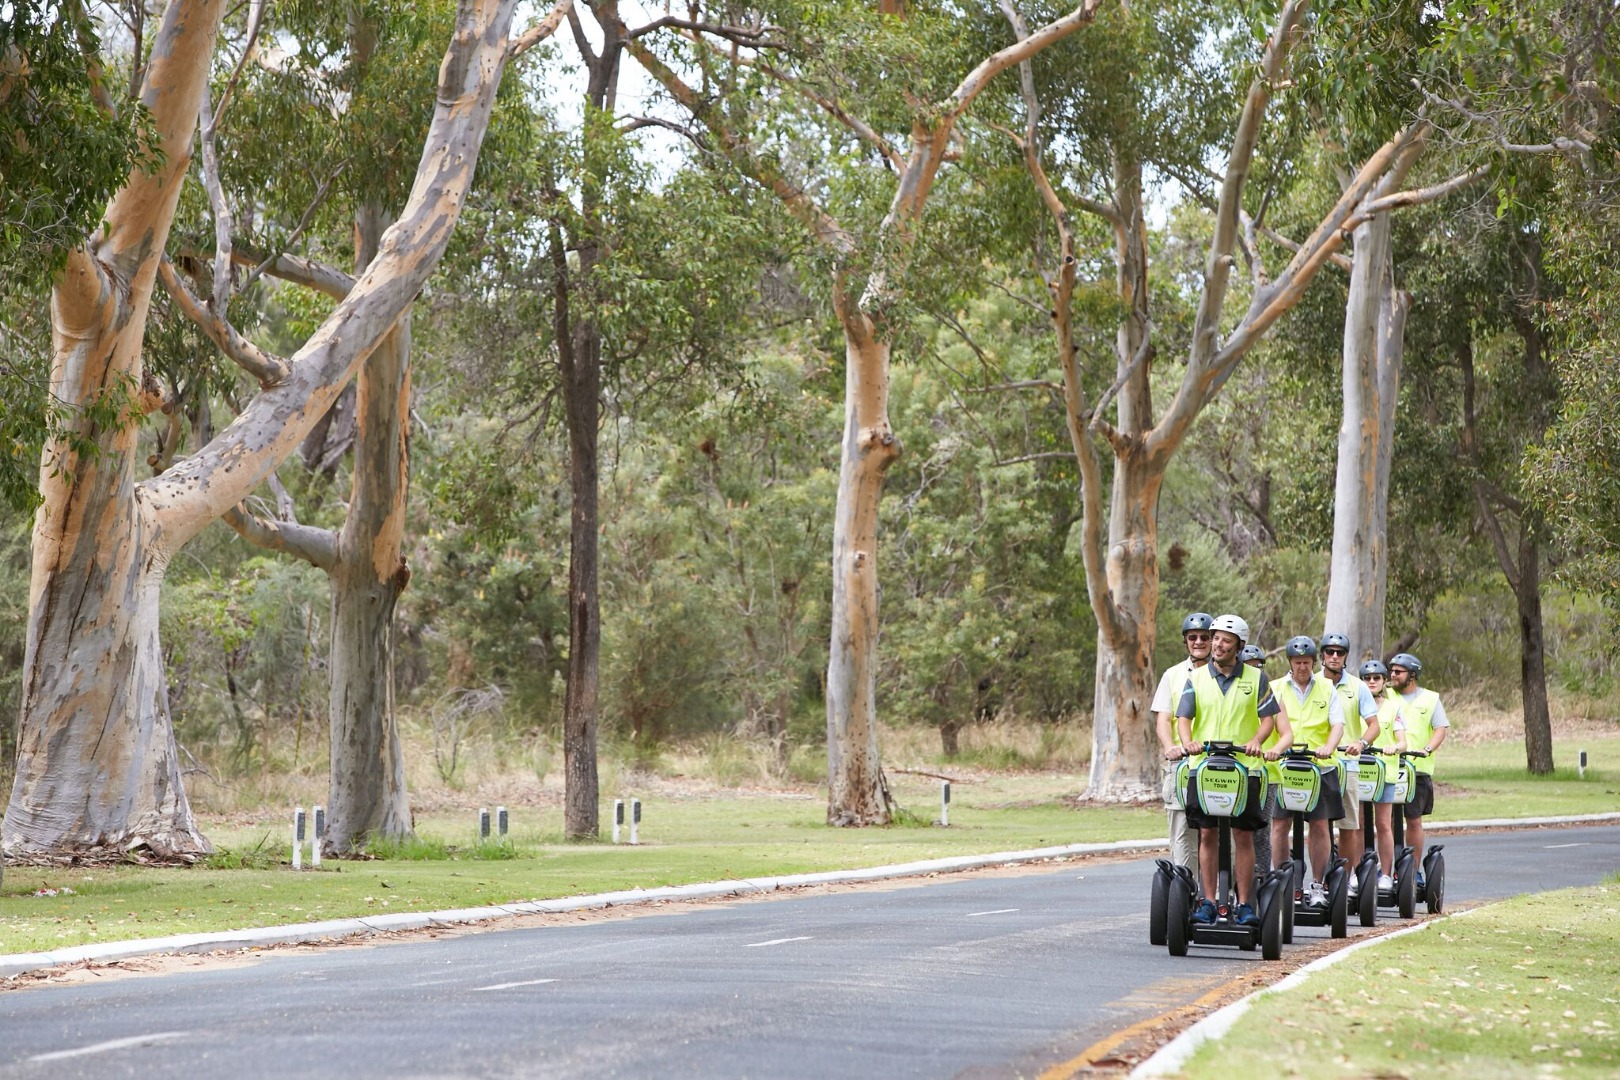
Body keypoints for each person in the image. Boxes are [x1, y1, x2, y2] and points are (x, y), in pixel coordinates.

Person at [1174, 614, 1288, 927]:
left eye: (1226, 640)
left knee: (1244, 835)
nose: (1218, 645)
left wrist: (1256, 741)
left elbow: (1268, 719)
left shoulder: (1256, 678)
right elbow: (1184, 718)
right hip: (1204, 767)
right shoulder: (1196, 678)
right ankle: (1209, 902)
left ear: (1239, 646)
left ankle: (1246, 903)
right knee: (1207, 833)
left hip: (1244, 769)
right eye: (1216, 639)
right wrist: (1188, 742)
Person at [1264, 636, 1345, 907]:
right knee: (1279, 824)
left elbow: (1337, 724)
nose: (1302, 667)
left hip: (1319, 766)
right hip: (1284, 766)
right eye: (1297, 662)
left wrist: (1328, 747)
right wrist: (1273, 749)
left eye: (1307, 663)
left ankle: (1318, 885)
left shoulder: (1327, 687)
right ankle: (1282, 880)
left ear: (1314, 662)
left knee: (1320, 825)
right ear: (1290, 662)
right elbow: (1267, 723)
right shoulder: (1275, 688)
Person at [1318, 632, 1380, 897]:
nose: (1334, 657)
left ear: (1345, 657)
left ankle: (1345, 877)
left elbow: (1374, 725)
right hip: (1319, 764)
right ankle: (1320, 879)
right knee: (1319, 824)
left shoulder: (1358, 687)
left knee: (1349, 824)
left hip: (1348, 763)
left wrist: (1361, 743)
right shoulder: (1314, 683)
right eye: (1330, 652)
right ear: (1322, 655)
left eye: (1340, 653)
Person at [1155, 613, 1213, 876]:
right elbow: (1163, 719)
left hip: (1214, 761)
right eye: (1193, 637)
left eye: (1204, 637)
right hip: (1182, 764)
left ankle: (1220, 891)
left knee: (1219, 831)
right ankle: (1185, 886)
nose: (1198, 642)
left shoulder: (1224, 673)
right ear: (1186, 641)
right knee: (1182, 831)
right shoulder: (1172, 675)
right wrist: (1170, 746)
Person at [1387, 652, 1448, 885]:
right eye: (1391, 671)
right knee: (1385, 822)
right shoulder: (1386, 695)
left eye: (1398, 672)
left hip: (1417, 769)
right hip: (1389, 767)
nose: (1392, 675)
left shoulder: (1430, 699)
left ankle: (1413, 869)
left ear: (1412, 675)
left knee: (1413, 820)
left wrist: (1428, 748)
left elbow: (1440, 728)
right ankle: (1387, 870)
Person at [1362, 660, 1408, 890]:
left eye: (1376, 678)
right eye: (1367, 678)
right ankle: (1357, 871)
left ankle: (1386, 874)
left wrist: (1394, 747)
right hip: (1361, 771)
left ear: (1384, 682)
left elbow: (1403, 742)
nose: (1372, 682)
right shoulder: (1356, 704)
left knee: (1383, 824)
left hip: (1385, 772)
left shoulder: (1393, 708)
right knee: (1358, 825)